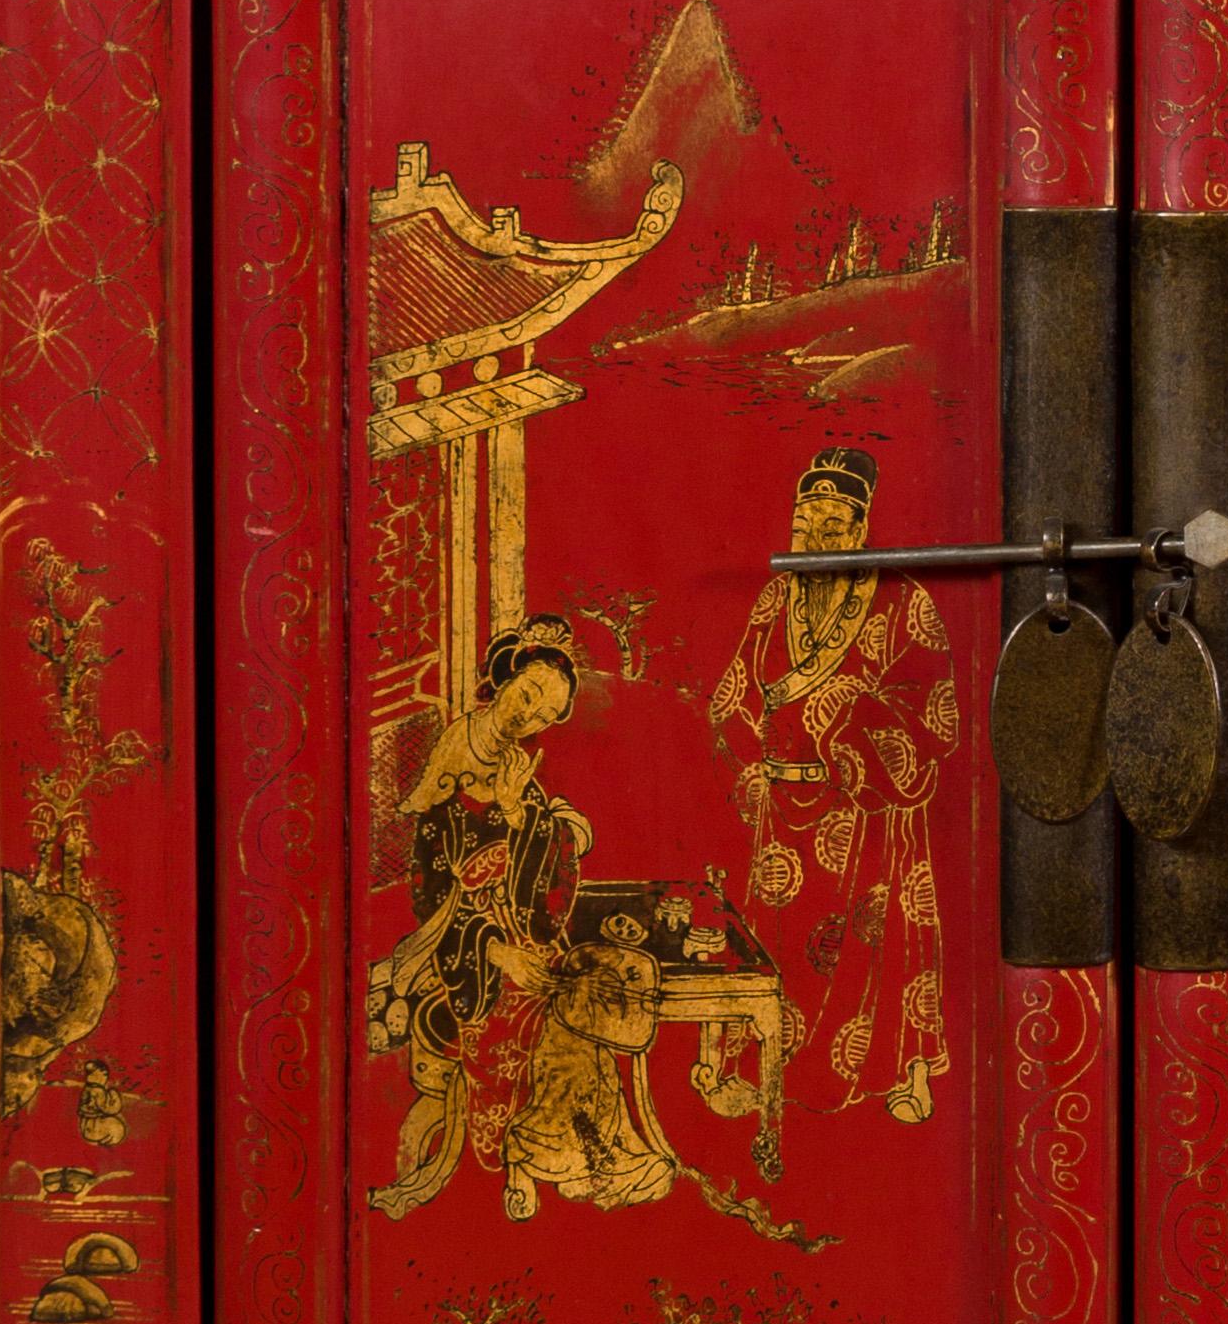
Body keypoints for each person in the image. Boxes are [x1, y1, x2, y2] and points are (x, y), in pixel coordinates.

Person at [707, 445, 957, 1123]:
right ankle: (756, 1073)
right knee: (771, 946)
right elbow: (729, 697)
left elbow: (936, 720)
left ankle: (894, 1077)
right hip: (783, 815)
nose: (813, 539)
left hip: (865, 815)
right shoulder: (773, 596)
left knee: (872, 952)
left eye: (830, 526)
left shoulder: (905, 600)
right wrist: (750, 769)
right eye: (803, 524)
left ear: (859, 528)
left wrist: (860, 703)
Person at [368, 614, 584, 1215]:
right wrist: (494, 949)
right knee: (523, 1014)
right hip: (461, 944)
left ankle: (576, 1151)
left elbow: (542, 875)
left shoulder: (518, 769)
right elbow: (432, 889)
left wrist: (528, 819)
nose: (531, 715)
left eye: (545, 714)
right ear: (505, 678)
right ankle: (511, 1159)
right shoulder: (455, 756)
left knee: (579, 997)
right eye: (529, 695)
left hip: (516, 931)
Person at [504, 889, 701, 1220]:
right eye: (620, 924)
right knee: (563, 1097)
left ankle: (589, 1168)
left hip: (590, 1056)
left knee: (603, 1088)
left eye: (633, 930)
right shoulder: (577, 959)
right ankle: (542, 1165)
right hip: (557, 1049)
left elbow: (631, 1030)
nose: (625, 932)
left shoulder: (618, 965)